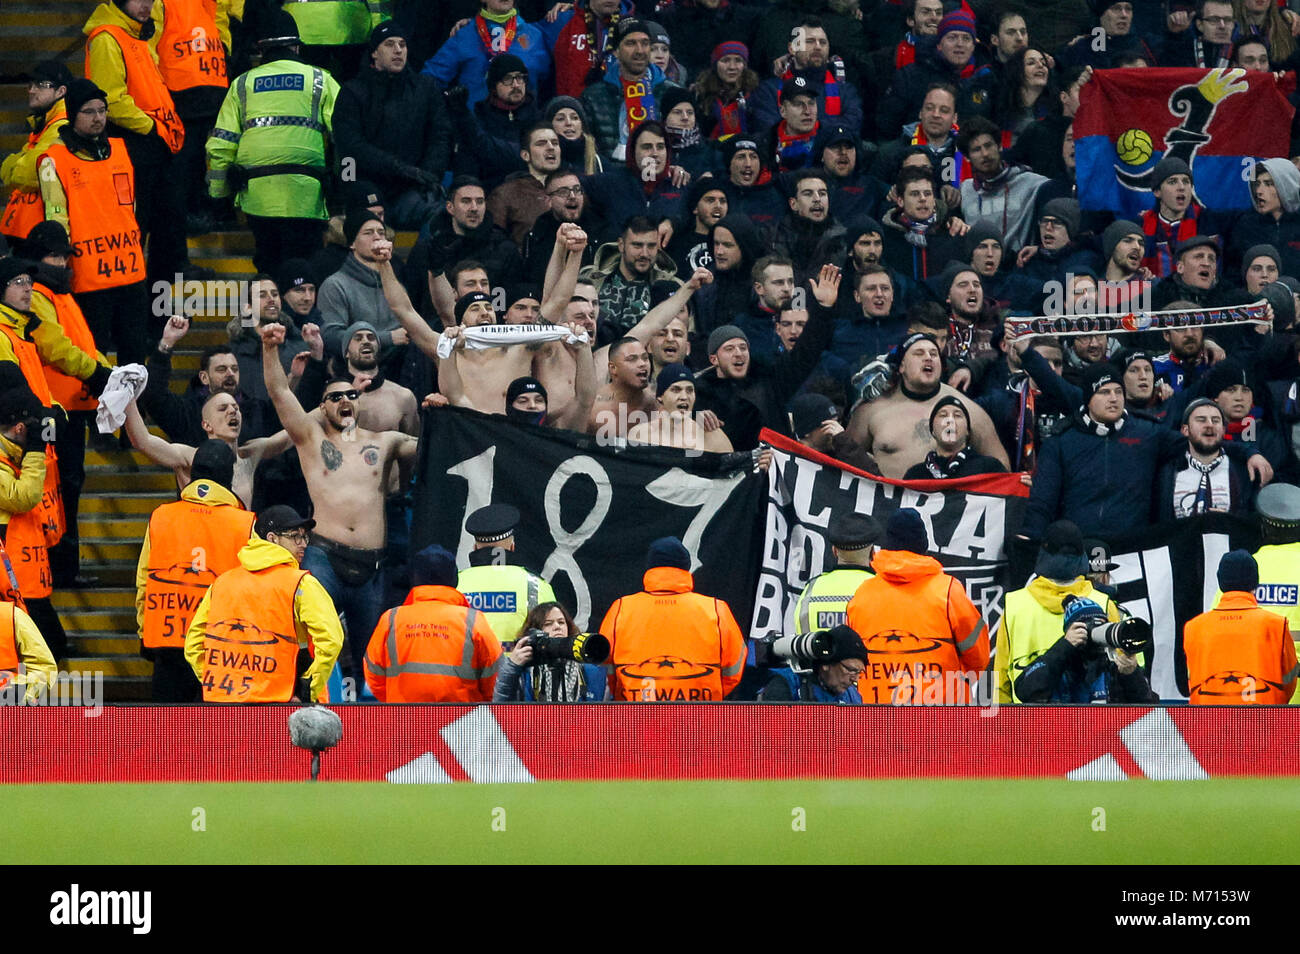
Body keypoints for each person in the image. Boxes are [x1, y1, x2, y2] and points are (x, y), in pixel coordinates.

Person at [261, 322, 417, 689]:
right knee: (314, 645)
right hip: (324, 558)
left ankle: (372, 730)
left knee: (371, 660)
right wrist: (269, 348)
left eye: (351, 395)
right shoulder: (309, 438)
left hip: (372, 564)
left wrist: (441, 407)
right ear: (321, 407)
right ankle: (308, 710)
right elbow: (279, 391)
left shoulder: (387, 441)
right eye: (335, 397)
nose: (345, 401)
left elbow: (439, 444)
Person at [1022, 363, 1272, 539]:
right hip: (1080, 545)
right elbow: (1043, 500)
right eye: (1105, 392)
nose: (1114, 399)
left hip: (1135, 546)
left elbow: (1202, 441)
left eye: (1118, 392)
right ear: (1088, 399)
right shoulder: (1062, 440)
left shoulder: (1147, 432)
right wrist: (1030, 538)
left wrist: (1248, 452)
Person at [207, 12, 340, 274]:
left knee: (268, 268)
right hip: (306, 195)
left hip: (258, 197)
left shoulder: (241, 84)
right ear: (296, 46)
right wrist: (342, 189)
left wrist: (219, 196)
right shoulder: (320, 79)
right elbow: (346, 138)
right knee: (305, 273)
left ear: (261, 48)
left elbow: (220, 145)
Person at [21, 222, 112, 587]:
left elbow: (81, 346)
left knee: (69, 487)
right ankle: (59, 568)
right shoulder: (43, 294)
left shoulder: (58, 294)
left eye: (63, 255)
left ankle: (64, 567)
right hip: (57, 408)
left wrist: (108, 371)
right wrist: (98, 372)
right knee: (61, 489)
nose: (60, 262)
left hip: (74, 405)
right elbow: (57, 348)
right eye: (52, 256)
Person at [38, 79, 150, 367]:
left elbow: (132, 208)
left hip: (131, 270)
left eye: (102, 110)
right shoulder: (54, 159)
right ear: (73, 113)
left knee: (135, 353)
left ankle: (133, 412)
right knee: (95, 352)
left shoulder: (122, 149)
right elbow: (57, 216)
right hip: (89, 276)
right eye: (89, 111)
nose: (98, 117)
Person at [135, 439, 256, 702]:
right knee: (212, 735)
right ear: (229, 475)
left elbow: (144, 578)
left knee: (166, 734)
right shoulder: (245, 523)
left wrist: (144, 630)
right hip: (219, 647)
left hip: (166, 639)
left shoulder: (162, 516)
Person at [184, 504, 343, 703]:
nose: (303, 543)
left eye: (304, 537)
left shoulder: (222, 582)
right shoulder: (301, 584)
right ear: (272, 538)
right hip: (283, 703)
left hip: (225, 702)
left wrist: (213, 680)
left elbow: (193, 645)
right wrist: (307, 688)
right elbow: (331, 640)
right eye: (295, 536)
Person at [83, 0, 191, 287]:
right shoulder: (108, 38)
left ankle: (160, 316)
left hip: (155, 146)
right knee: (140, 233)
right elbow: (112, 101)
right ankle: (143, 317)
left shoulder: (137, 36)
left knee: (168, 235)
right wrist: (155, 128)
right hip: (135, 147)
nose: (147, 4)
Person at [846, 508, 990, 704]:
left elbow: (851, 660)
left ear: (886, 546)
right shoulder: (948, 590)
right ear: (923, 546)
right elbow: (979, 657)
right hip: (941, 717)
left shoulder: (862, 594)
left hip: (876, 717)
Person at [694, 265, 840, 450]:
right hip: (727, 473)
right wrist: (695, 418)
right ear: (714, 359)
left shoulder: (771, 381)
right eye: (729, 349)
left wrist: (823, 309)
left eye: (743, 347)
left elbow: (806, 353)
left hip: (773, 471)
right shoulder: (699, 394)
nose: (738, 353)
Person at [994, 520, 1134, 703]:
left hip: (1028, 723)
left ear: (1043, 556)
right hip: (1092, 723)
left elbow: (1000, 679)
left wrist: (1002, 727)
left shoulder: (1014, 604)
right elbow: (1126, 668)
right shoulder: (1103, 602)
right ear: (1082, 558)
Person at [332, 21, 452, 231]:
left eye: (402, 44)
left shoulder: (425, 88)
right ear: (374, 53)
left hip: (412, 189)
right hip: (367, 186)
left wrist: (430, 173)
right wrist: (398, 167)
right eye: (389, 44)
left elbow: (440, 135)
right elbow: (351, 146)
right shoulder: (353, 92)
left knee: (443, 214)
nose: (398, 50)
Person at [600, 535, 745, 701]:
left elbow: (603, 666)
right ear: (686, 567)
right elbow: (735, 667)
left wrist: (626, 693)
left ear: (650, 567)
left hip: (636, 715)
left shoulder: (621, 608)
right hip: (701, 717)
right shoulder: (716, 609)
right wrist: (707, 694)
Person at [847, 332, 1009, 479]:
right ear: (902, 366)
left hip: (947, 506)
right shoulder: (871, 409)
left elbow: (1002, 467)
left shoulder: (967, 411)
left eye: (934, 354)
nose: (928, 358)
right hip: (888, 506)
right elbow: (845, 458)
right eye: (919, 353)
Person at [364, 544, 502, 702]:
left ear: (414, 578)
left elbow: (373, 674)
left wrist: (396, 700)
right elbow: (495, 676)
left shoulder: (391, 618)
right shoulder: (473, 620)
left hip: (405, 721)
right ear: (454, 579)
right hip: (462, 722)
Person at [0, 386, 67, 663]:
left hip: (22, 574)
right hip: (10, 576)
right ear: (18, 428)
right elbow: (23, 497)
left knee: (49, 644)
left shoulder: (15, 456)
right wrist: (37, 451)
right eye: (33, 427)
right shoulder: (21, 458)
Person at [1185, 549, 1298, 704]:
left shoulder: (1193, 628)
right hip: (1264, 722)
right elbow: (1290, 680)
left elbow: (1193, 680)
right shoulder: (1276, 625)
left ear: (1221, 582)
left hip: (1209, 723)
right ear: (1255, 582)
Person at [142, 316, 275, 446]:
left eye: (234, 369)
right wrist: (167, 342)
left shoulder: (255, 410)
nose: (230, 373)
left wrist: (294, 377)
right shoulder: (188, 413)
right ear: (204, 378)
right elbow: (154, 395)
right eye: (221, 369)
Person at [456, 503, 557, 645]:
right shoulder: (536, 584)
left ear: (474, 548)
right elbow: (552, 637)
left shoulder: (455, 583)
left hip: (465, 666)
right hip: (520, 666)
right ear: (512, 547)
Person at [580, 18, 676, 161]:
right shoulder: (593, 97)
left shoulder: (672, 93)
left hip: (660, 175)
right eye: (631, 43)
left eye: (645, 43)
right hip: (612, 177)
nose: (639, 51)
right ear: (616, 52)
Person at [422, 0, 551, 107]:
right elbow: (430, 80)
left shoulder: (534, 35)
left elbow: (547, 81)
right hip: (476, 128)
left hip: (523, 129)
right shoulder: (465, 34)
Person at [316, 210, 407, 360]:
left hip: (398, 365)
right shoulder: (335, 285)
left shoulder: (394, 283)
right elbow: (331, 337)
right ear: (352, 243)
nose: (377, 237)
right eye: (368, 233)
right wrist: (387, 338)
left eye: (381, 232)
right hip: (353, 371)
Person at [749, 18, 862, 136]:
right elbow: (768, 129)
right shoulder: (769, 90)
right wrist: (824, 127)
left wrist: (802, 127)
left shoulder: (845, 91)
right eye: (810, 41)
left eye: (823, 42)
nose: (818, 47)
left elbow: (852, 125)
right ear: (792, 48)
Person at [0, 60, 71, 244]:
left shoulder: (61, 126)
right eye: (31, 85)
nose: (32, 90)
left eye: (41, 85)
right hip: (30, 228)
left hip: (42, 232)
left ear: (61, 91)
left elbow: (27, 173)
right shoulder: (42, 124)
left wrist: (12, 165)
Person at [957, 116, 1047, 253]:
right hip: (976, 269)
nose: (985, 154)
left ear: (999, 146)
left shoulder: (1032, 183)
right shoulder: (964, 190)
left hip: (1019, 267)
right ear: (967, 158)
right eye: (976, 150)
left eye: (988, 146)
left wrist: (1039, 249)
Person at [1159, 397, 1258, 519]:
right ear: (1185, 430)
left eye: (1215, 420)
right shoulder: (1165, 473)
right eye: (1201, 420)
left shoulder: (1244, 471)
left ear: (1223, 430)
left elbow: (1255, 523)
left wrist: (1232, 522)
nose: (1210, 425)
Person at [493, 600, 606, 701]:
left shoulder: (589, 670)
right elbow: (501, 707)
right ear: (535, 632)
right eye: (548, 624)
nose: (557, 627)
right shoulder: (523, 669)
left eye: (561, 622)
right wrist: (512, 667)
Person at [790, 511, 879, 637]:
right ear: (873, 553)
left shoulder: (812, 588)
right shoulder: (882, 590)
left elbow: (801, 637)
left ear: (834, 551)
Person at [627, 363, 733, 452]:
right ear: (660, 397)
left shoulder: (712, 436)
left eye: (690, 390)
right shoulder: (640, 435)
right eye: (675, 390)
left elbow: (733, 473)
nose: (684, 397)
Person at [488, 123, 564, 246]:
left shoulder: (575, 188)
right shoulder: (505, 194)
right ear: (525, 155)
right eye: (541, 143)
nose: (551, 147)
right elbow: (494, 244)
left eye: (555, 143)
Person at [903, 394, 1008, 479]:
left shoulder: (989, 468)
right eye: (943, 415)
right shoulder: (915, 475)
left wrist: (1024, 489)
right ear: (933, 431)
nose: (950, 421)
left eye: (957, 416)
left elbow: (1010, 498)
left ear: (967, 431)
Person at [761, 625, 866, 703]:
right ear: (826, 664)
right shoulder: (785, 684)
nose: (855, 679)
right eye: (851, 670)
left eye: (859, 672)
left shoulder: (852, 696)